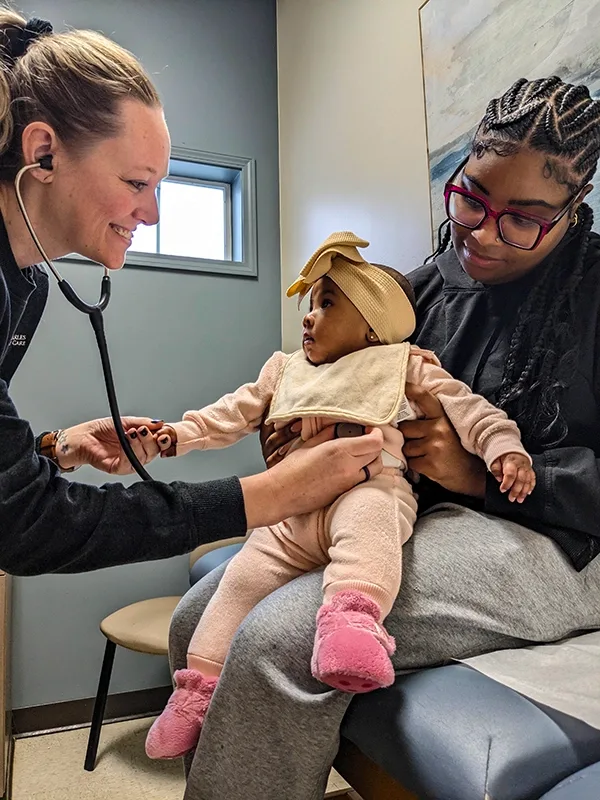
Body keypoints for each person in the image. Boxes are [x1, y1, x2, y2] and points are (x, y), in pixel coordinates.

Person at [170, 76, 600, 800]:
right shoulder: (422, 290)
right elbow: (331, 382)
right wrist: (301, 443)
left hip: (568, 544)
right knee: (197, 618)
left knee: (280, 641)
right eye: (471, 199)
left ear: (572, 210)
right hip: (413, 513)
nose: (483, 232)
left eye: (522, 219)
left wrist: (478, 475)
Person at [0, 10, 385, 577]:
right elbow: (27, 525)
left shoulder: (24, 285)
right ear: (44, 153)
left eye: (158, 188)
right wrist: (273, 493)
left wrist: (55, 448)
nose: (151, 214)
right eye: (136, 183)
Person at [143, 230, 534, 760]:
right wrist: (177, 434)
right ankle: (195, 694)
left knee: (371, 527)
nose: (308, 316)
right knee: (239, 579)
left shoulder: (405, 365)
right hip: (292, 513)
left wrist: (504, 451)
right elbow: (229, 414)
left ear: (374, 331)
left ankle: (350, 626)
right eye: (310, 304)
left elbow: (472, 411)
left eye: (327, 303)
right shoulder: (286, 370)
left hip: (368, 487)